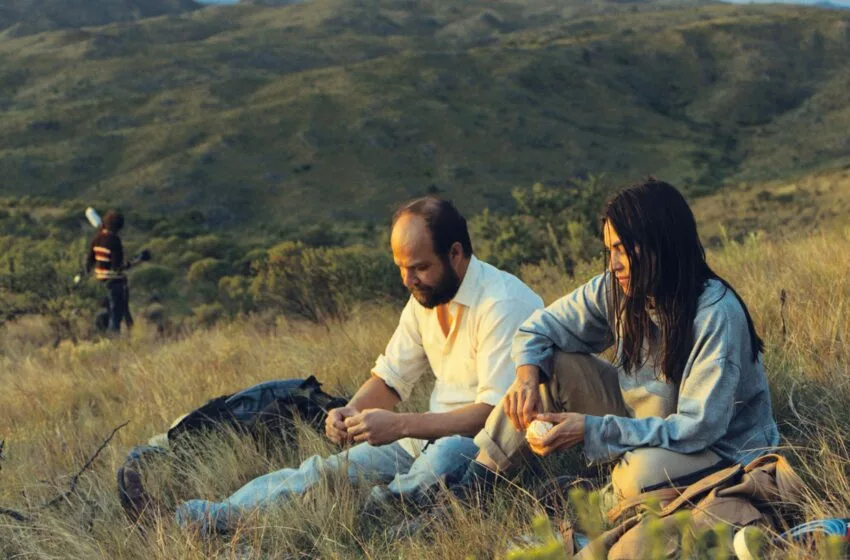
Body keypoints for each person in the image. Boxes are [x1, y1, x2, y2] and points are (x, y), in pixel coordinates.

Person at [149, 197, 544, 534]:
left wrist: (402, 424)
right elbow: (390, 380)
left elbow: (493, 417)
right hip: (423, 437)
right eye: (401, 268)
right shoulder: (426, 295)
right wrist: (351, 411)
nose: (408, 280)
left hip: (484, 449)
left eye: (420, 267)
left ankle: (371, 518)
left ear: (455, 253)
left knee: (442, 461)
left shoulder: (502, 304)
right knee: (323, 472)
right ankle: (218, 517)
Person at [447, 178, 780, 505]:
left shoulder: (716, 315)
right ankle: (475, 486)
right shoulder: (616, 288)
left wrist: (594, 430)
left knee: (639, 477)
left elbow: (698, 429)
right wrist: (525, 377)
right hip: (643, 423)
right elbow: (537, 329)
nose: (614, 264)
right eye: (610, 250)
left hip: (718, 448)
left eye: (622, 249)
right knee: (551, 366)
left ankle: (590, 499)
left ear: (659, 245)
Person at [85, 210, 134, 333]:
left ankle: (99, 339)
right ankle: (115, 342)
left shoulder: (97, 239)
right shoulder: (115, 241)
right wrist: (132, 263)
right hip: (114, 282)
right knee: (116, 315)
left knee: (103, 313)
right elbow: (117, 267)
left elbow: (89, 262)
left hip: (99, 282)